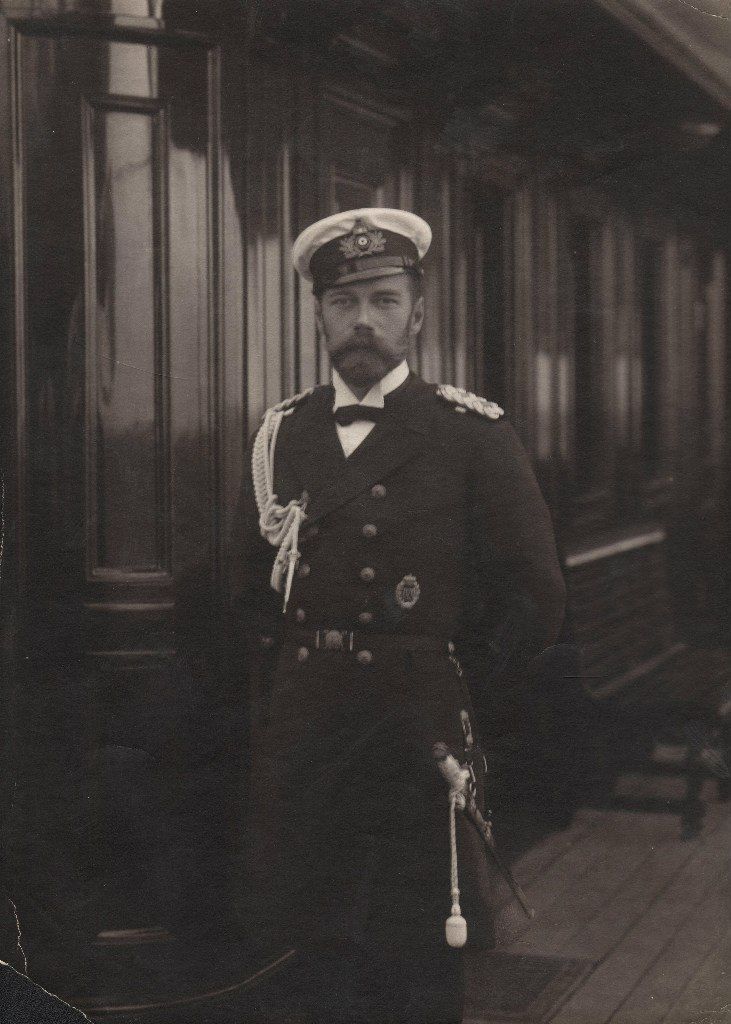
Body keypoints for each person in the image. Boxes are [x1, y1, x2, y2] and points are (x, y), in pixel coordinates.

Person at [237, 208, 566, 1023]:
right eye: (343, 301)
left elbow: (534, 597)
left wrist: (448, 687)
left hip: (414, 728)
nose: (363, 320)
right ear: (317, 315)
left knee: (413, 945)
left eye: (383, 300)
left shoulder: (469, 433)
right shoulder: (284, 432)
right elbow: (247, 588)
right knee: (302, 941)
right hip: (305, 723)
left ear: (416, 316)